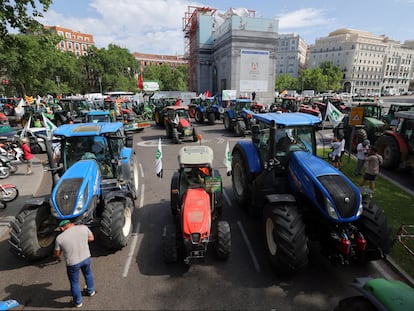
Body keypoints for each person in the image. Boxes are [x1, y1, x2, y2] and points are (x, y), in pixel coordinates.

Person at [54, 220, 96, 308]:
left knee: (75, 283)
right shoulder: (83, 228)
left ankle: (78, 302)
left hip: (73, 263)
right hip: (86, 258)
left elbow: (57, 254)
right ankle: (90, 291)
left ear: (62, 228)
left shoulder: (60, 238)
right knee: (88, 274)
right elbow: (92, 238)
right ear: (71, 224)